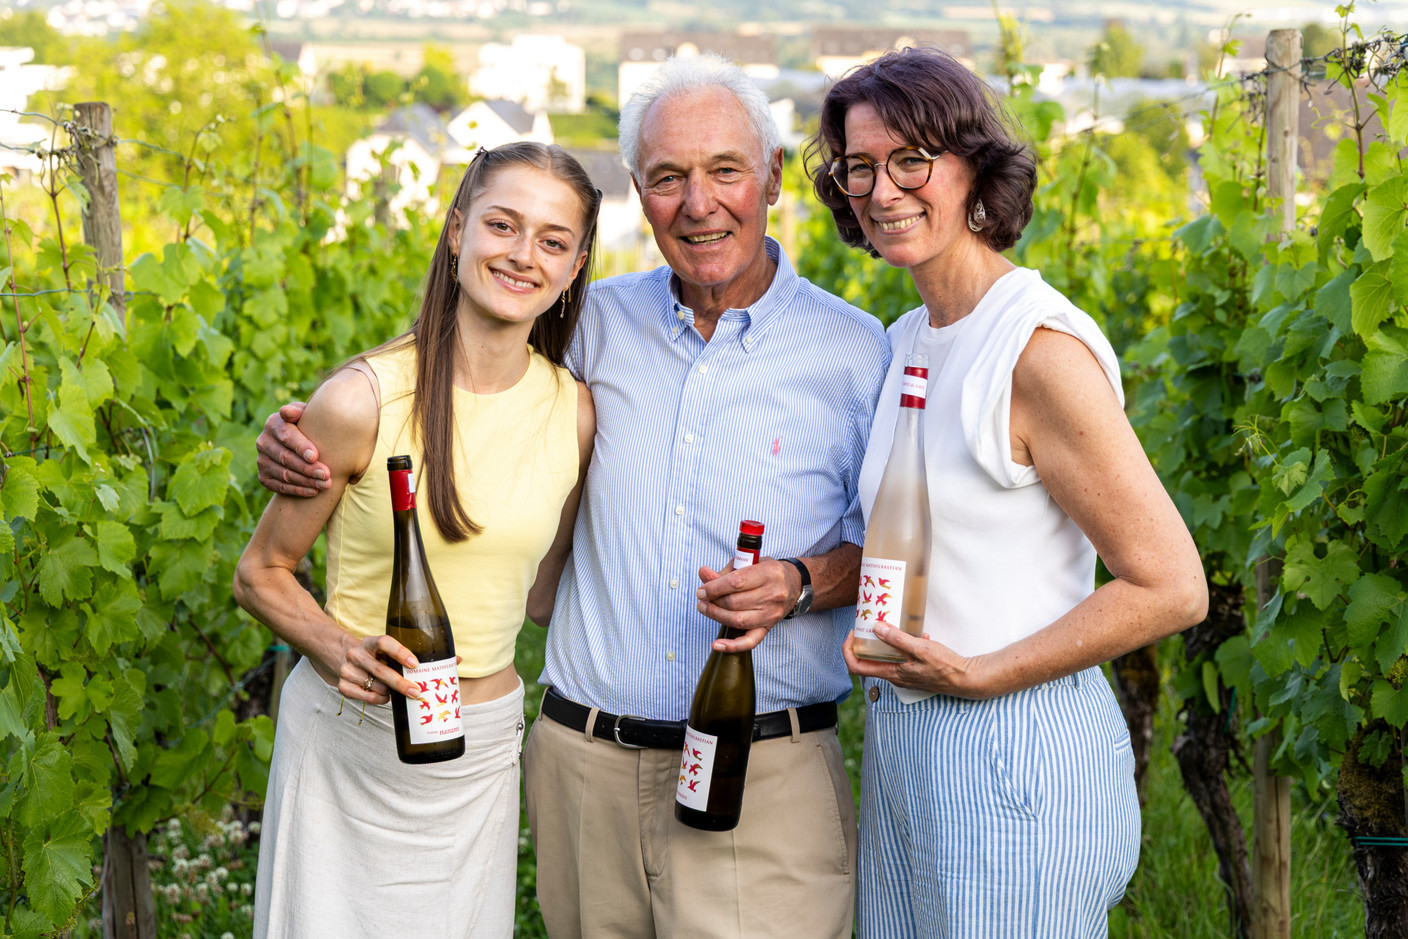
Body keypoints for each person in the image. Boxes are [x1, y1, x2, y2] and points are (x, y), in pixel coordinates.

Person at [256, 54, 889, 938]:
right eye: (668, 177)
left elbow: (902, 552)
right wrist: (303, 435)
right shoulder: (588, 328)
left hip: (762, 779)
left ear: (775, 177)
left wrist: (801, 579)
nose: (698, 203)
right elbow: (451, 377)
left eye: (725, 171)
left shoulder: (861, 354)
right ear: (639, 190)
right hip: (581, 769)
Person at [806, 47, 1208, 937]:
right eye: (860, 167)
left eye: (912, 160)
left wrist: (982, 674)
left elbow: (1174, 586)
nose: (883, 189)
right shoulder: (910, 336)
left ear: (974, 169)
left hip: (1013, 744)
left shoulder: (1037, 350)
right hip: (911, 741)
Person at [232, 142, 600, 938]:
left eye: (552, 240)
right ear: (457, 231)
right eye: (502, 224)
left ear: (574, 268)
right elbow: (261, 572)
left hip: (479, 760)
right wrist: (334, 646)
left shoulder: (573, 413)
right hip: (349, 748)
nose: (522, 254)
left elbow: (537, 596)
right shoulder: (362, 399)